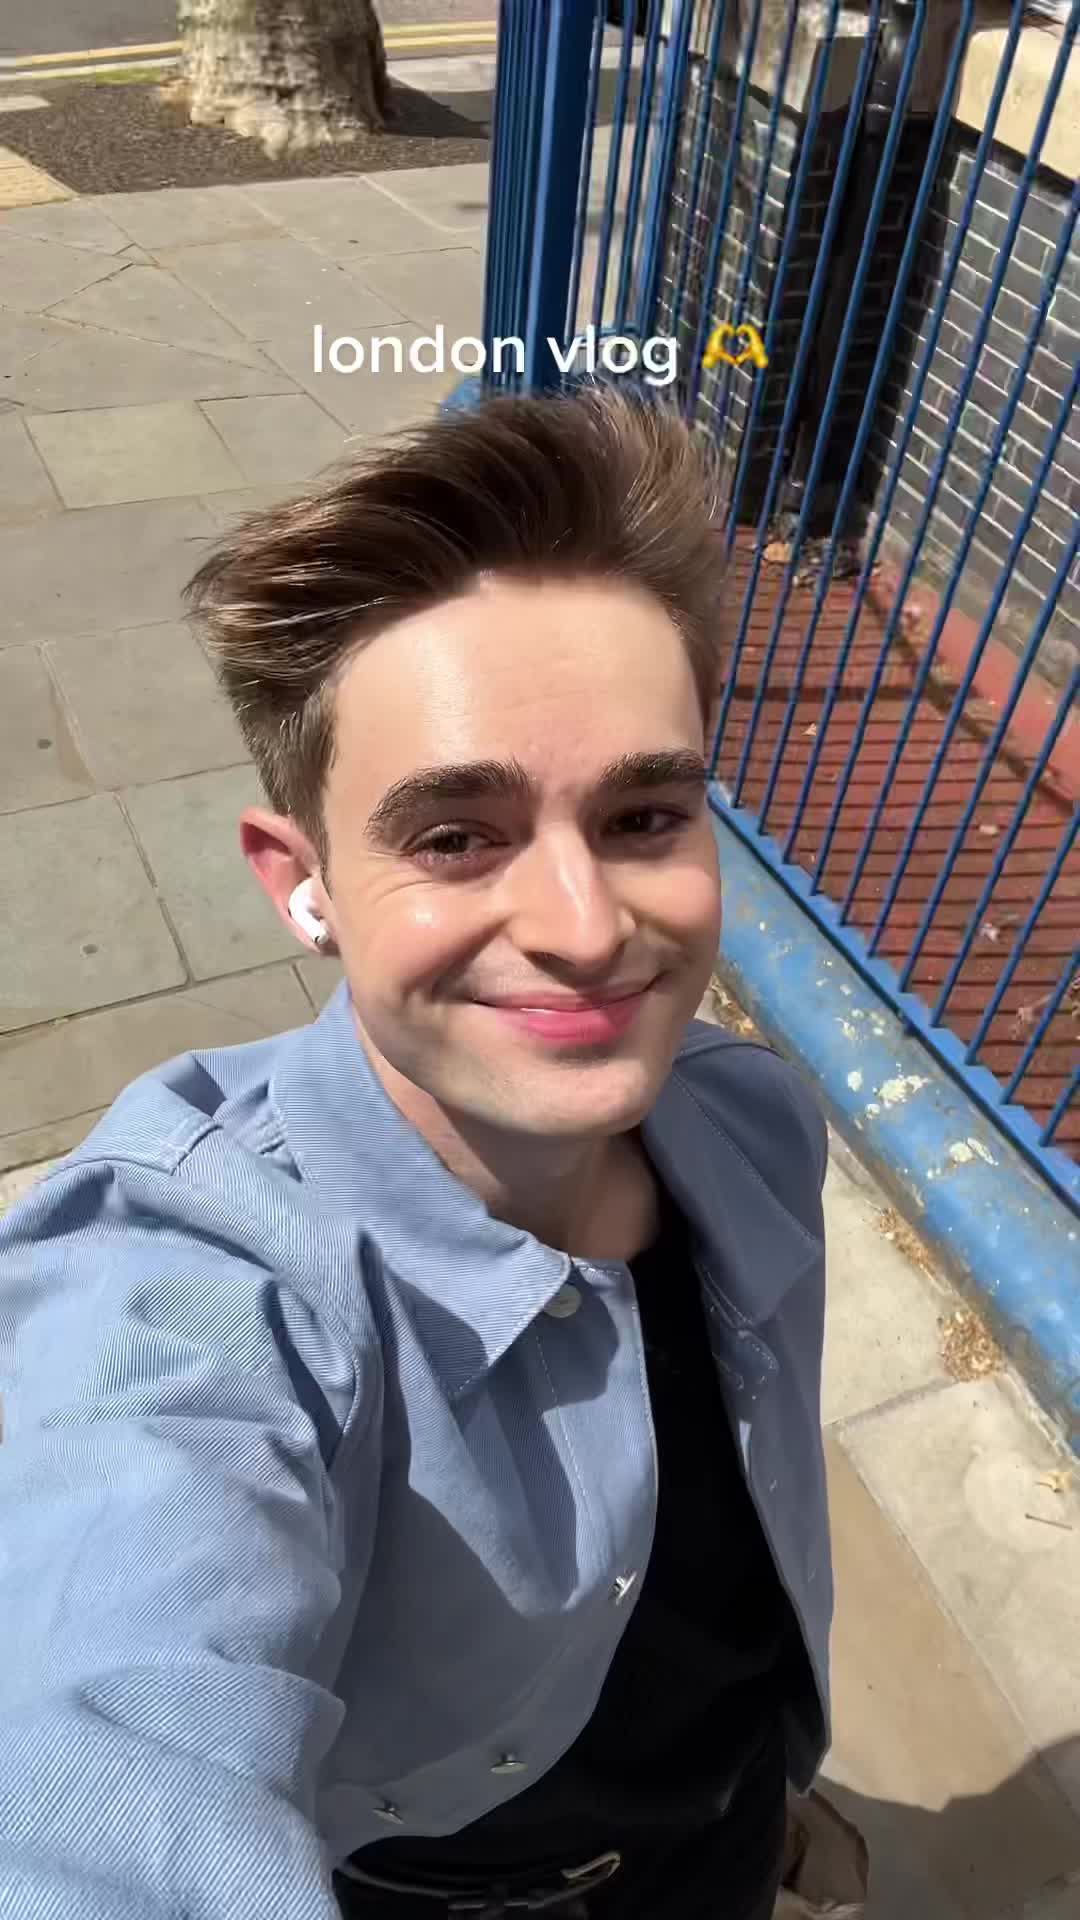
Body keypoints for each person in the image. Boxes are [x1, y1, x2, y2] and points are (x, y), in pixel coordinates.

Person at [0, 385, 832, 1920]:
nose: (585, 928)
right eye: (456, 835)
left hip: (725, 1822)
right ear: (300, 883)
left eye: (644, 815)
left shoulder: (752, 1121)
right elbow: (89, 1745)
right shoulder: (195, 1281)